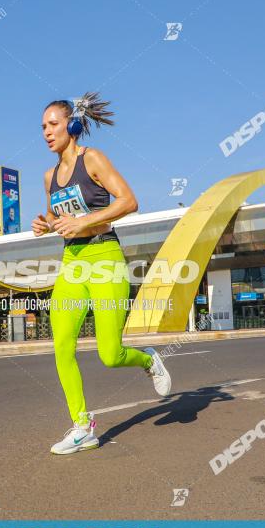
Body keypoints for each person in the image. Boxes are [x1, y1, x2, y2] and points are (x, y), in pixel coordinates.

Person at [32, 92, 171, 455]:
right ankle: (83, 427)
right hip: (72, 264)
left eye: (53, 125)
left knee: (110, 355)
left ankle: (147, 359)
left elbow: (128, 200)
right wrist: (46, 225)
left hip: (105, 257)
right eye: (43, 127)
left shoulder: (91, 159)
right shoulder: (49, 176)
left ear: (71, 125)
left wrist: (84, 221)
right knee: (62, 346)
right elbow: (58, 218)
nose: (46, 132)